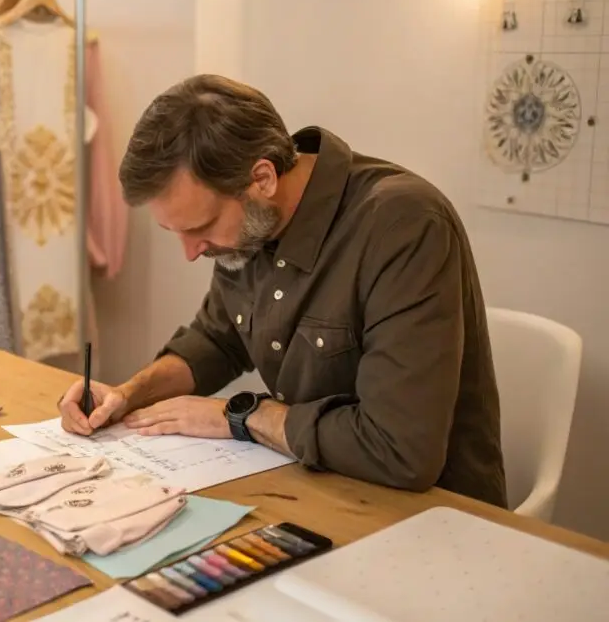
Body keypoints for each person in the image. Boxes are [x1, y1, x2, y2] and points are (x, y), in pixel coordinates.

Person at [58, 74, 507, 507]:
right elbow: (217, 340)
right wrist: (129, 394)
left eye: (201, 227)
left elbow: (400, 451)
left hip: (434, 518)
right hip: (316, 487)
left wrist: (240, 415)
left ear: (263, 179)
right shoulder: (252, 227)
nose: (191, 253)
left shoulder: (403, 226)